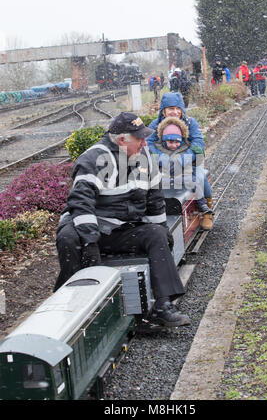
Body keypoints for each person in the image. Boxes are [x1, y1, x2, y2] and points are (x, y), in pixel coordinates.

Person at [54, 112, 190, 327]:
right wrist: (90, 242)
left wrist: (163, 230)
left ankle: (163, 305)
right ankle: (73, 304)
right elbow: (81, 204)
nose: (145, 143)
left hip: (122, 229)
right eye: (140, 138)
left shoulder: (145, 157)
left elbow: (155, 200)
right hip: (91, 228)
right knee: (68, 237)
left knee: (156, 235)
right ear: (121, 140)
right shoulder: (93, 160)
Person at [147, 92, 214, 230]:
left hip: (188, 162)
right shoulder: (155, 125)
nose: (175, 112)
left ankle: (207, 210)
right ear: (164, 110)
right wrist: (161, 158)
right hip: (163, 164)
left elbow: (198, 142)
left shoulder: (191, 123)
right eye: (171, 108)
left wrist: (184, 158)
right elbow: (149, 143)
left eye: (178, 109)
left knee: (199, 176)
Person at [154, 117, 213, 223]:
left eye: (177, 142)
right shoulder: (160, 150)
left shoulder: (185, 149)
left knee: (195, 181)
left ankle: (202, 204)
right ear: (164, 141)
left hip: (182, 177)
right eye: (170, 142)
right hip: (165, 179)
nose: (174, 145)